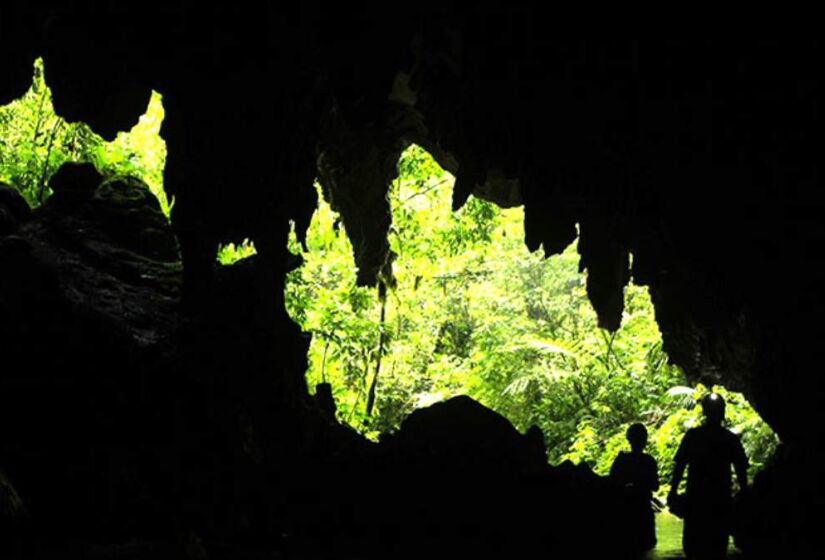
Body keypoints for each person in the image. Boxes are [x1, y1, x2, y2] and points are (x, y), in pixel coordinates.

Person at [669, 393, 749, 559]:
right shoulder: (730, 439)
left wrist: (673, 491)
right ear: (722, 413)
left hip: (696, 501)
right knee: (718, 548)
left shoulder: (693, 436)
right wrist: (745, 496)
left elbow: (680, 466)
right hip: (720, 502)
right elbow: (741, 472)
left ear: (704, 412)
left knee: (693, 547)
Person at [610, 422, 659, 553]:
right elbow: (655, 486)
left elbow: (611, 484)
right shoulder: (649, 461)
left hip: (626, 514)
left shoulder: (622, 461)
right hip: (643, 513)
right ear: (645, 440)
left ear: (629, 439)